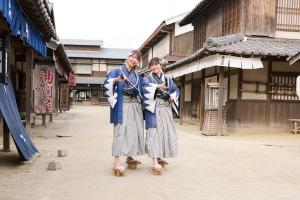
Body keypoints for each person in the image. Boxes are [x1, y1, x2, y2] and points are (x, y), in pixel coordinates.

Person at [104, 50, 145, 176]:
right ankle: (116, 162)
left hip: (135, 105)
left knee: (133, 131)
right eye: (132, 57)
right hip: (122, 104)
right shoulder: (117, 71)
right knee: (120, 132)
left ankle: (129, 157)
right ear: (128, 57)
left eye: (136, 58)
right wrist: (116, 79)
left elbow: (143, 90)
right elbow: (106, 83)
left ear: (137, 62)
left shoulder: (137, 76)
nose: (133, 59)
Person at [142, 57, 180, 175]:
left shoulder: (168, 78)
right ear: (150, 67)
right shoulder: (147, 78)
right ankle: (154, 161)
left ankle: (159, 157)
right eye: (152, 65)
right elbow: (145, 90)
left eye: (156, 64)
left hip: (166, 109)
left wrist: (172, 96)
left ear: (160, 65)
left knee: (164, 133)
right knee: (154, 133)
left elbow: (176, 90)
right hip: (154, 108)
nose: (154, 67)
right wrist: (158, 87)